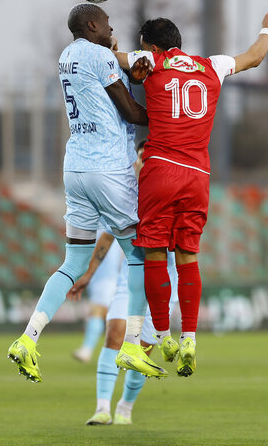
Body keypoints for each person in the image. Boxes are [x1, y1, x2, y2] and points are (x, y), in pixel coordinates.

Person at [114, 11, 268, 377]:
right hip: (197, 176)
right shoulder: (212, 65)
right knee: (188, 258)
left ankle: (163, 336)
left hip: (160, 169)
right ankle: (190, 337)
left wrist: (112, 48)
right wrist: (267, 26)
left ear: (154, 46)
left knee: (155, 252)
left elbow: (112, 58)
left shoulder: (152, 61)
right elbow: (255, 56)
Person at [7, 3, 167, 382]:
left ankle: (28, 339)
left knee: (72, 264)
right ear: (91, 24)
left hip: (75, 167)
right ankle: (131, 347)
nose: (112, 28)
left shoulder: (67, 56)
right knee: (140, 254)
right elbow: (130, 112)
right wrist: (165, 112)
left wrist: (131, 72)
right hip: (109, 167)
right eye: (107, 23)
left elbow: (103, 94)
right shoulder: (100, 55)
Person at [68, 141, 179, 425]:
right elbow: (106, 236)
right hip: (129, 279)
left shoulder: (171, 197)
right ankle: (102, 408)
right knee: (115, 335)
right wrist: (88, 274)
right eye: (140, 157)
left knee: (142, 351)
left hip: (163, 285)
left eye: (148, 158)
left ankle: (125, 407)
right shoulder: (126, 197)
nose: (142, 162)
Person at [71, 230, 124, 363]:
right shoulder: (106, 223)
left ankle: (87, 349)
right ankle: (122, 350)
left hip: (105, 277)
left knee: (98, 311)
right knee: (107, 313)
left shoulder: (105, 225)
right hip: (99, 277)